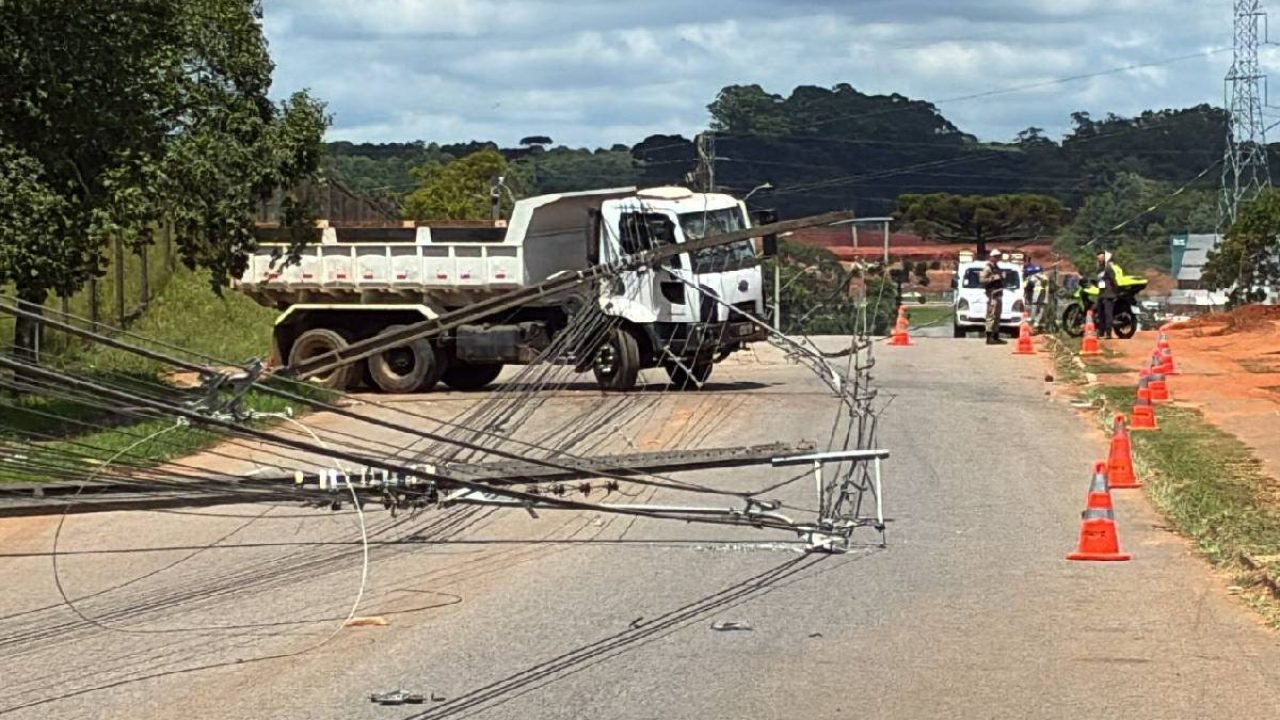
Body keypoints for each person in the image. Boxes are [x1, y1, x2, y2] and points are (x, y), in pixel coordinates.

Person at [980, 248, 1007, 345]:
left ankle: (996, 336)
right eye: (996, 257)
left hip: (998, 294)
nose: (998, 258)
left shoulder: (996, 267)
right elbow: (982, 279)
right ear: (992, 257)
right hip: (992, 294)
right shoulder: (988, 267)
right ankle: (989, 337)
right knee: (991, 315)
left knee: (997, 316)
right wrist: (995, 277)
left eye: (999, 257)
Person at [1094, 251, 1119, 339]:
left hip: (1108, 295)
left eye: (1101, 258)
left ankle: (1108, 334)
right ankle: (1101, 333)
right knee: (1101, 315)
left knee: (1108, 315)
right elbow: (1099, 282)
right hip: (1101, 294)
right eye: (1098, 258)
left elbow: (1114, 280)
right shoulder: (1099, 269)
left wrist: (1115, 291)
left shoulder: (1108, 268)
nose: (1100, 259)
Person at [1024, 264, 1048, 329]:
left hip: (1036, 293)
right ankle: (1037, 321)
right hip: (1044, 294)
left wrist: (1027, 293)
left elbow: (1027, 286)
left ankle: (1033, 319)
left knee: (1034, 306)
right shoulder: (1045, 277)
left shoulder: (1033, 277)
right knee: (1041, 308)